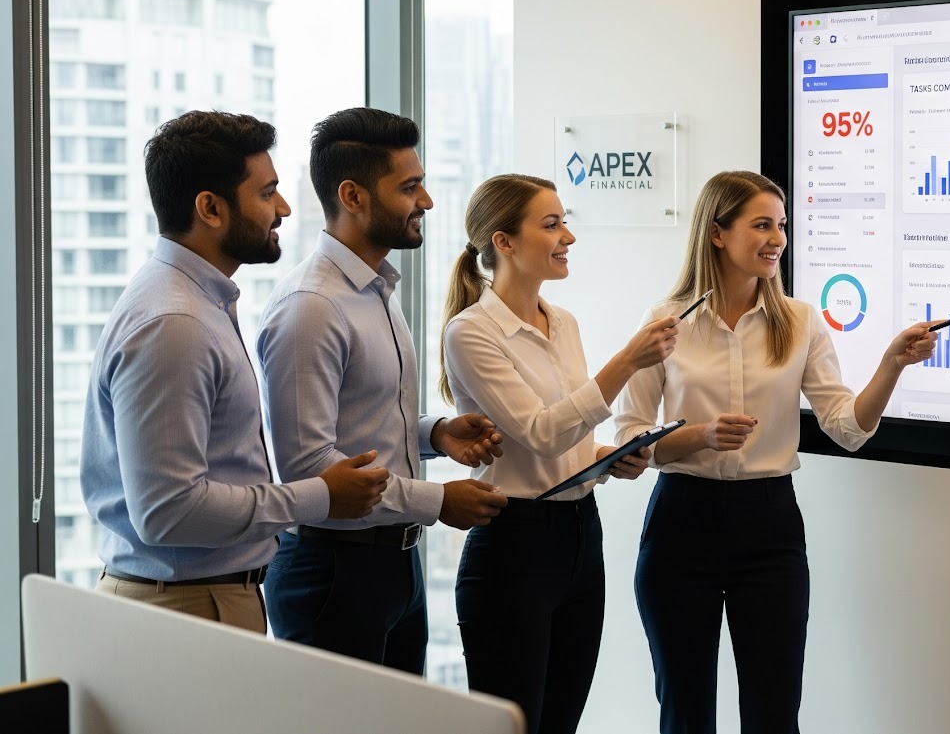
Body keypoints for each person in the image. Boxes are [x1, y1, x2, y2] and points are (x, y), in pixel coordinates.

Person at [614, 170, 950, 734]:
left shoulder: (799, 321)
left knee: (774, 715)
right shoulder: (665, 321)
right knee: (684, 713)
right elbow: (631, 435)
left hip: (768, 525)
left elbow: (846, 428)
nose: (778, 239)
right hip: (681, 523)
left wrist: (892, 364)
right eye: (762, 225)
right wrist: (700, 435)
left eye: (782, 225)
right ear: (717, 233)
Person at [81, 110, 389, 633]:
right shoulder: (176, 323)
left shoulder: (195, 302)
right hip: (184, 610)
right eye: (267, 193)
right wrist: (320, 496)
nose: (284, 208)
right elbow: (168, 512)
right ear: (210, 208)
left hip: (196, 601)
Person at [257, 107, 508, 672]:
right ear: (353, 196)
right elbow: (309, 465)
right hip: (334, 569)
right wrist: (436, 501)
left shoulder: (375, 290)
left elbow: (361, 424)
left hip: (395, 564)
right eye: (409, 187)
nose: (427, 201)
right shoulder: (312, 307)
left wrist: (435, 435)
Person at [440, 174, 681, 734]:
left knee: (562, 722)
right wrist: (628, 360)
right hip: (514, 544)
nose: (567, 236)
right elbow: (541, 433)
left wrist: (607, 456)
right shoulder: (470, 333)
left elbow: (567, 434)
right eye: (551, 225)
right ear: (504, 242)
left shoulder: (563, 322)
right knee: (516, 724)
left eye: (564, 222)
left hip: (579, 534)